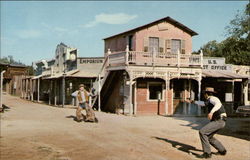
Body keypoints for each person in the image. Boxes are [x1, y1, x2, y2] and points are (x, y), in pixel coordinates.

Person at [198, 87, 227, 159]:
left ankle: (207, 153)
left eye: (204, 94)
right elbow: (204, 104)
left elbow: (218, 104)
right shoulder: (210, 100)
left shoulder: (213, 99)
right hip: (220, 121)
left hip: (219, 120)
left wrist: (211, 112)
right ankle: (222, 151)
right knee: (209, 137)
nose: (204, 95)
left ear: (206, 94)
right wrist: (193, 102)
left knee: (202, 132)